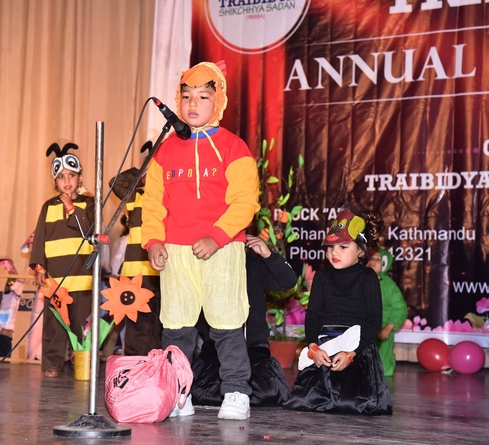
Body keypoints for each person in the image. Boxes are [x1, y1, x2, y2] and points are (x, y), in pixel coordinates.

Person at [142, 61, 260, 420]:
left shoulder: (234, 147)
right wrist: (154, 242)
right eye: (186, 96)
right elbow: (152, 203)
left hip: (221, 251)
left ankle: (236, 392)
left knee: (226, 325)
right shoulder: (165, 151)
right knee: (176, 327)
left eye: (203, 96)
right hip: (175, 253)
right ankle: (179, 392)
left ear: (218, 100)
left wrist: (217, 237)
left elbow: (245, 202)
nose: (193, 103)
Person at [284, 206, 393, 415]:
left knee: (351, 403)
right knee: (302, 400)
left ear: (361, 251)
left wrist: (352, 354)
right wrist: (314, 348)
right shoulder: (322, 276)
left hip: (356, 350)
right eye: (331, 247)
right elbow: (313, 316)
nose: (334, 252)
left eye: (343, 246)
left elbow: (374, 321)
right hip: (325, 348)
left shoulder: (368, 277)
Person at [191, 234, 298, 407]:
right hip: (217, 348)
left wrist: (268, 255)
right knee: (201, 392)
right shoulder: (207, 260)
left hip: (252, 348)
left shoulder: (252, 262)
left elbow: (288, 281)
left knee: (268, 393)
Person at [29, 142, 102, 378]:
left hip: (82, 276)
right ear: (55, 182)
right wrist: (39, 267)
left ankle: (81, 359)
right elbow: (40, 239)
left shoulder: (89, 204)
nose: (67, 181)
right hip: (56, 279)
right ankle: (52, 362)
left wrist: (72, 208)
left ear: (80, 177)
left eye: (71, 175)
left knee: (81, 323)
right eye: (61, 177)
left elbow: (91, 230)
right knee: (55, 323)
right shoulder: (48, 207)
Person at [109, 160, 163, 356]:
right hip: (135, 272)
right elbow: (116, 182)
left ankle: (155, 365)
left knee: (159, 323)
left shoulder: (169, 196)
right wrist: (145, 172)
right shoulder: (135, 195)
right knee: (136, 322)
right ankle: (134, 366)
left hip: (161, 270)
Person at [368, 246, 408, 377]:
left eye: (377, 259)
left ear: (385, 264)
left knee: (382, 365)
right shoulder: (361, 281)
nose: (373, 261)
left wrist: (389, 326)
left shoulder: (389, 286)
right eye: (371, 258)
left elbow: (400, 308)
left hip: (383, 327)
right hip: (365, 326)